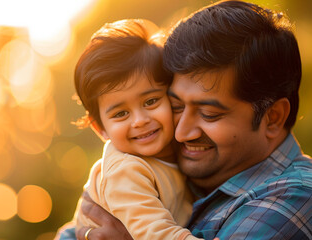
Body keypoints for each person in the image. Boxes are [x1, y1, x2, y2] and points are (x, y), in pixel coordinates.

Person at [57, 0, 312, 239]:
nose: (181, 133)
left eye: (209, 114)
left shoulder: (295, 197)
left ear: (273, 117)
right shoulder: (179, 167)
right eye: (176, 106)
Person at [59, 18, 202, 240]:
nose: (139, 120)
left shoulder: (171, 152)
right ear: (100, 129)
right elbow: (154, 233)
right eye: (120, 114)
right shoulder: (125, 170)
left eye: (151, 101)